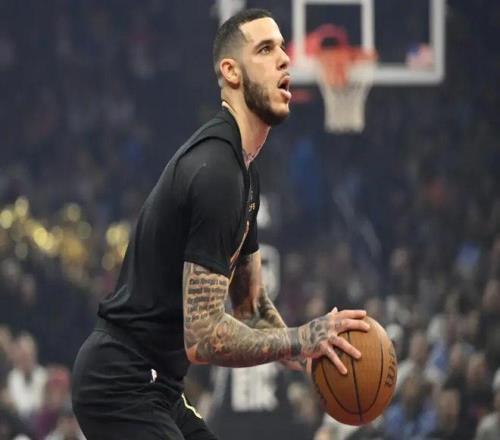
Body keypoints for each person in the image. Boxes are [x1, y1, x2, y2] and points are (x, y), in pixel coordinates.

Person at [71, 8, 369, 440]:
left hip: (157, 387)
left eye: (282, 47)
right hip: (118, 383)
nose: (285, 58)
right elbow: (204, 337)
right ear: (231, 72)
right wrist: (299, 338)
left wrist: (313, 353)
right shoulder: (217, 173)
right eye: (265, 49)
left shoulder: (244, 172)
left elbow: (251, 308)